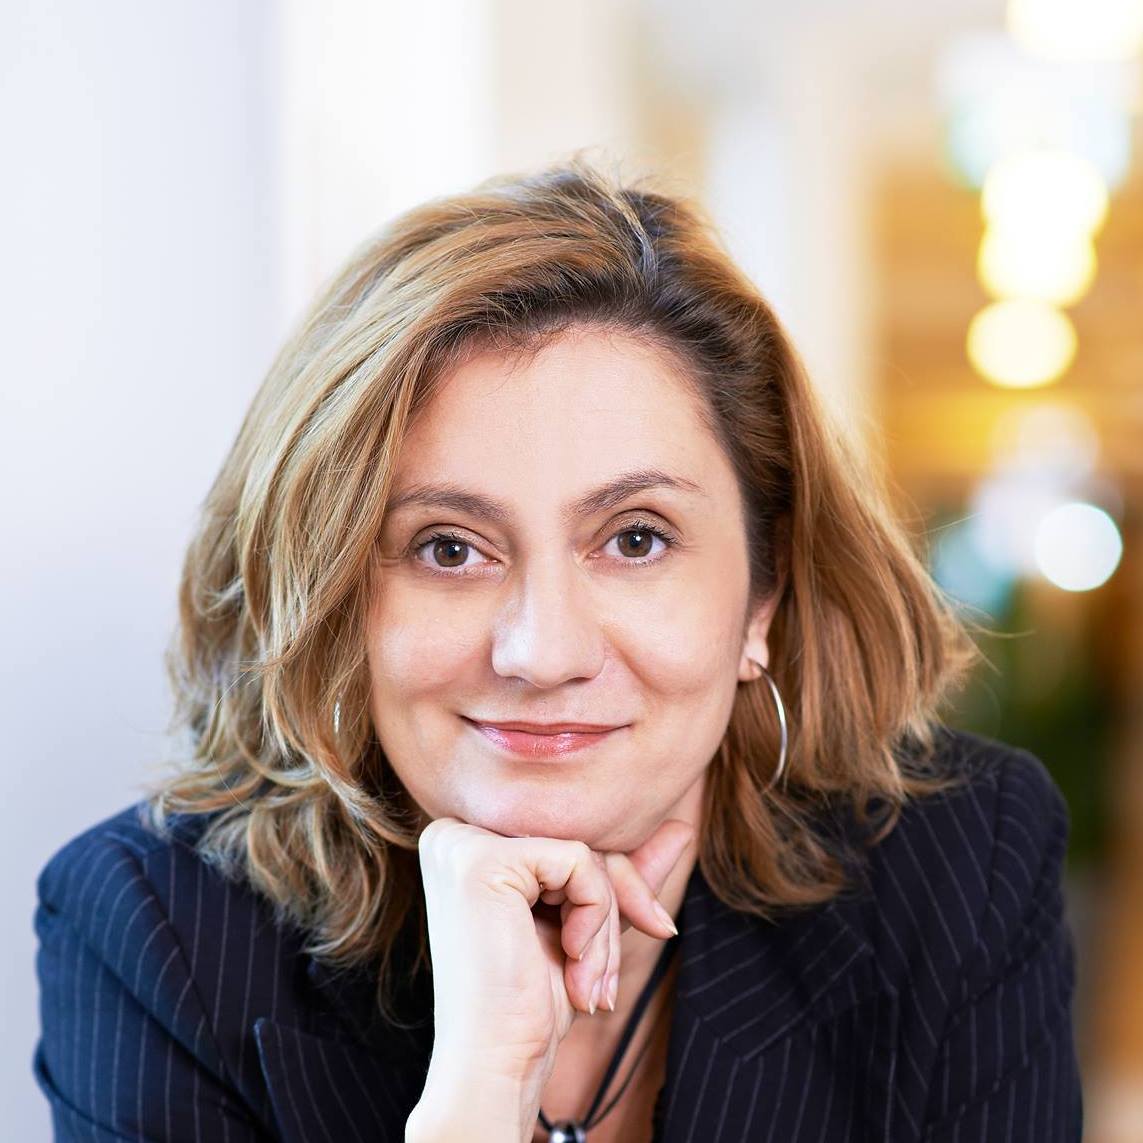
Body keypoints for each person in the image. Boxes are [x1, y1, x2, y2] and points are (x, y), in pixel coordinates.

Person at [33, 156, 1084, 1142]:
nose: (542, 652)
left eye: (636, 539)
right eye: (448, 548)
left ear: (762, 598)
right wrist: (482, 1084)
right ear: (335, 594)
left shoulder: (960, 867)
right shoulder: (155, 931)